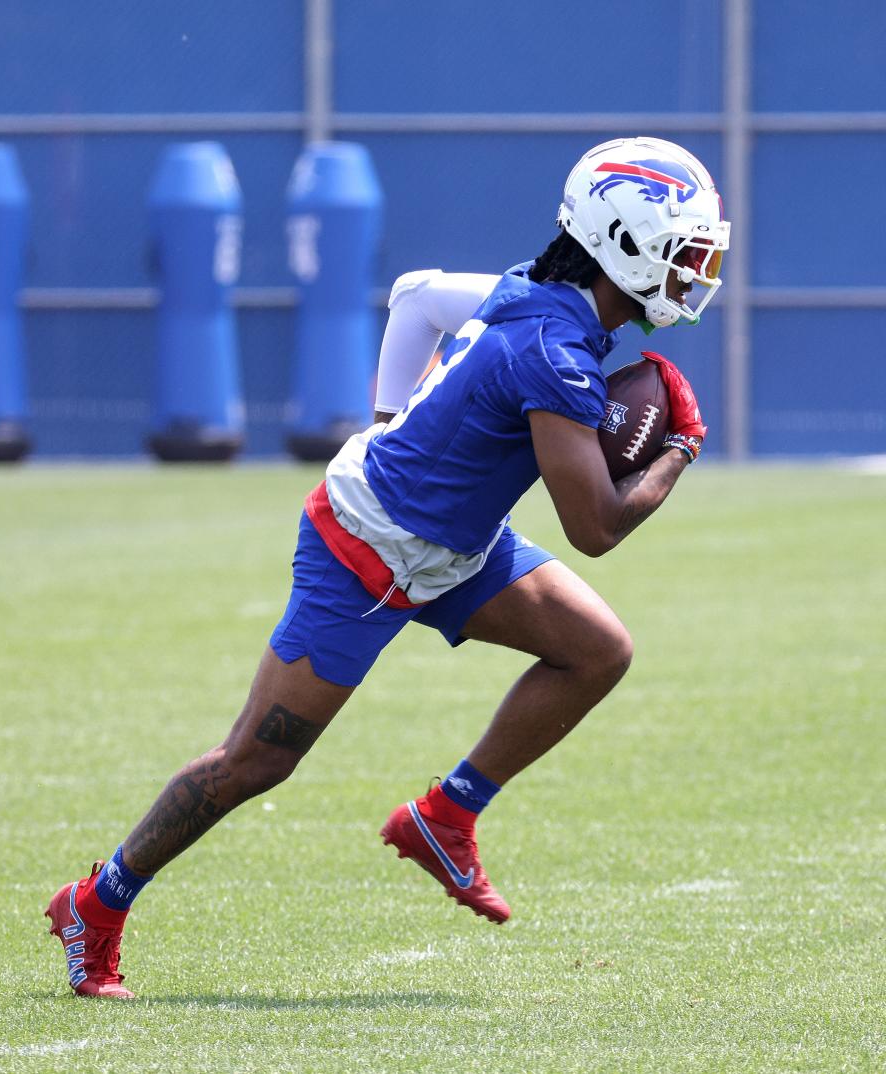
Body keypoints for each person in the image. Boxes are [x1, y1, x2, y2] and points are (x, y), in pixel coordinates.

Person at [46, 136, 730, 998]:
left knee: (598, 650)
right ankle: (96, 903)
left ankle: (448, 815)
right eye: (685, 251)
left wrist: (389, 423)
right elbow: (596, 526)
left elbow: (414, 298)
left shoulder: (535, 288)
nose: (696, 271)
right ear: (623, 243)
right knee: (253, 762)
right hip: (366, 554)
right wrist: (678, 448)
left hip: (454, 545)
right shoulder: (555, 357)